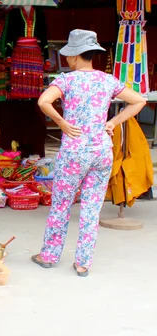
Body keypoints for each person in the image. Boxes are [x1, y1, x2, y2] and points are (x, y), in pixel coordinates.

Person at [31, 29, 145, 277]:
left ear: (73, 56)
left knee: (61, 204)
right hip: (102, 151)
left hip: (74, 152)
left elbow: (43, 102)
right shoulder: (107, 80)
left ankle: (49, 255)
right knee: (92, 208)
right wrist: (113, 122)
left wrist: (61, 122)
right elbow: (139, 101)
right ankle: (83, 263)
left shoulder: (66, 80)